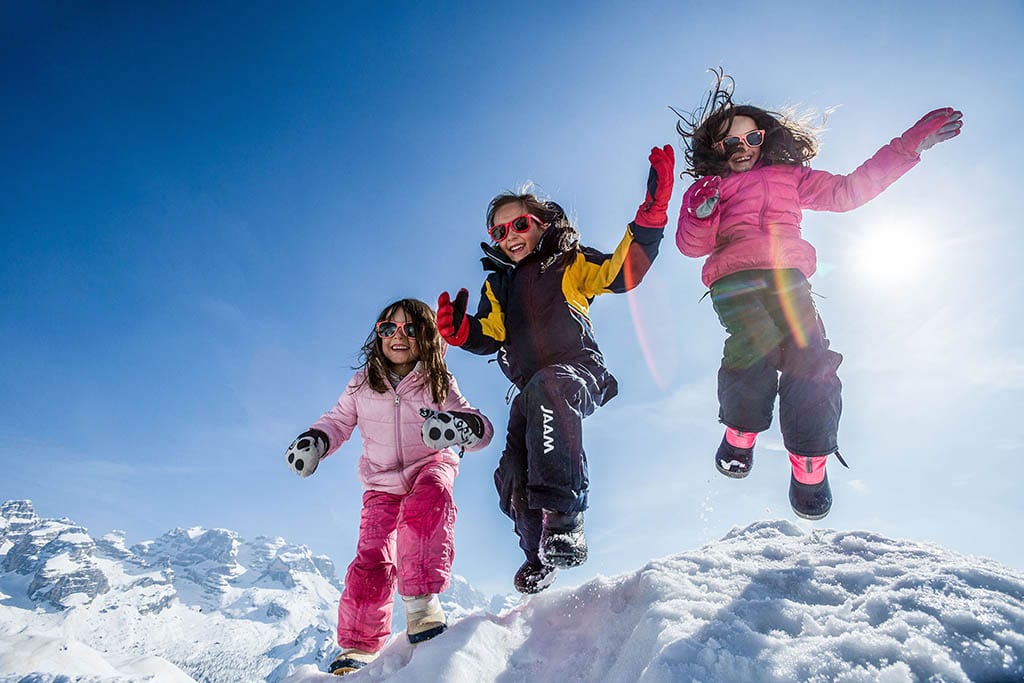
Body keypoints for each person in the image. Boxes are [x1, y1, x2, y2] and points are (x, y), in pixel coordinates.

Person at [673, 69, 962, 520]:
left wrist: (907, 148)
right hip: (735, 278)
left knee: (811, 355)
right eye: (731, 144)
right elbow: (691, 245)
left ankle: (810, 461)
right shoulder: (709, 188)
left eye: (752, 139)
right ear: (716, 149)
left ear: (765, 139)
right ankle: (740, 434)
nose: (743, 149)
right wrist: (701, 210)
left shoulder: (791, 177)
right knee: (757, 341)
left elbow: (848, 192)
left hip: (789, 277)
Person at [436, 145, 674, 594]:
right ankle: (537, 554)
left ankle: (565, 520)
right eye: (499, 230)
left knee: (551, 387)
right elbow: (491, 331)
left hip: (575, 370)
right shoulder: (499, 284)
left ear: (542, 223)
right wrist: (460, 330)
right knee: (512, 474)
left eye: (520, 224)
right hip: (529, 389)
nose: (510, 235)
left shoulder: (568, 262)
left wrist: (651, 216)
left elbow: (621, 272)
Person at [284, 298, 493, 676]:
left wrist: (463, 427)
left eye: (411, 329)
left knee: (425, 513)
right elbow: (338, 421)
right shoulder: (362, 382)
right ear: (378, 334)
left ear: (426, 337)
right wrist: (315, 441)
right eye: (388, 328)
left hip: (430, 464)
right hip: (380, 481)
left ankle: (422, 608)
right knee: (372, 556)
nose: (398, 336)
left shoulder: (438, 380)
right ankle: (358, 646)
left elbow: (477, 424)